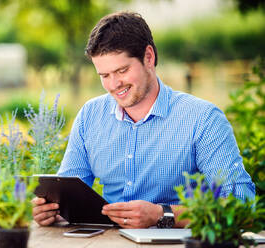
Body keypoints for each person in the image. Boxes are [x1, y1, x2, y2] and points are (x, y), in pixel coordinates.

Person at [32, 11, 255, 229]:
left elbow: (242, 206)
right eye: (104, 76)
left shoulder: (203, 119)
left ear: (149, 57)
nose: (113, 84)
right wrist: (54, 211)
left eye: (122, 70)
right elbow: (68, 194)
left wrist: (162, 214)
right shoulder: (90, 116)